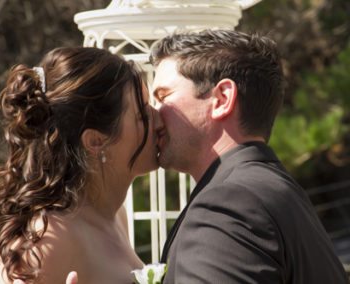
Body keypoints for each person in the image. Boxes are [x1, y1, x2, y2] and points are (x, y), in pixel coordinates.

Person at [150, 29, 349, 283]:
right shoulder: (279, 191)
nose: (154, 114)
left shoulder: (227, 205)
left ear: (222, 99)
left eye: (163, 96)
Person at [0, 46, 161, 283]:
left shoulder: (116, 217)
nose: (159, 118)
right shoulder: (47, 239)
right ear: (96, 141)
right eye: (142, 115)